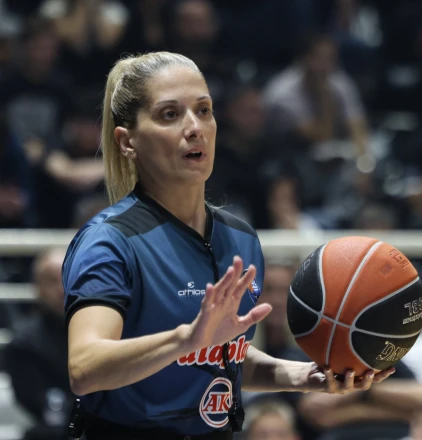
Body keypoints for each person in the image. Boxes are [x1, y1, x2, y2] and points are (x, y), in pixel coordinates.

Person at [63, 51, 395, 440]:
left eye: (204, 110)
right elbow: (84, 367)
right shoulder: (109, 241)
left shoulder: (241, 238)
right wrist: (186, 338)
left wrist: (304, 375)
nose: (194, 127)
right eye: (170, 114)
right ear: (127, 141)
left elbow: (222, 356)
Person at [4, 247, 74, 440]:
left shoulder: (106, 330)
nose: (62, 289)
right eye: (52, 281)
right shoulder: (24, 343)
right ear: (37, 287)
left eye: (68, 278)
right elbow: (46, 410)